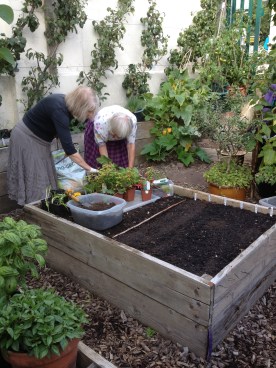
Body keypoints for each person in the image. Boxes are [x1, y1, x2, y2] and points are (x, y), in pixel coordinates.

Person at [7, 86, 99, 205]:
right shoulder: (60, 110)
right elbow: (70, 150)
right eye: (89, 111)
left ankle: (43, 208)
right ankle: (34, 213)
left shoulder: (65, 105)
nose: (90, 115)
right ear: (80, 106)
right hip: (26, 139)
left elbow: (60, 133)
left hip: (40, 141)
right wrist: (90, 169)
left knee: (45, 176)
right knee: (37, 178)